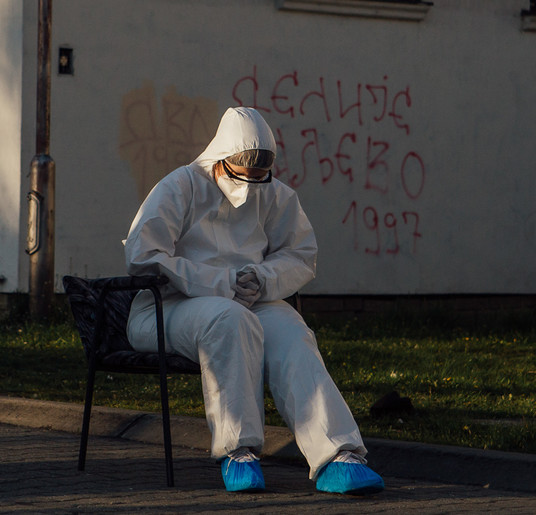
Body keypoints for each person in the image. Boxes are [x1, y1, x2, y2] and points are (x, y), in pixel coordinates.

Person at [123, 106, 384, 495]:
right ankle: (238, 451)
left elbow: (299, 253)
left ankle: (339, 455)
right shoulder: (181, 186)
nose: (250, 185)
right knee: (229, 319)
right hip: (167, 307)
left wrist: (262, 278)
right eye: (240, 173)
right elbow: (143, 256)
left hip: (250, 300)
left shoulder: (276, 195)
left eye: (259, 176)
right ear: (219, 160)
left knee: (294, 335)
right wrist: (221, 282)